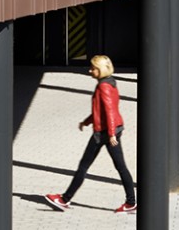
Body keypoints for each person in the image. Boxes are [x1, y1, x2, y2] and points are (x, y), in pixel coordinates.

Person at [45, 55, 136, 213]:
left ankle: (64, 199)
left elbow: (109, 111)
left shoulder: (103, 87)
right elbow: (101, 110)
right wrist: (86, 122)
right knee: (121, 167)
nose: (90, 70)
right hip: (111, 130)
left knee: (84, 166)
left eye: (93, 68)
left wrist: (111, 133)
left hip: (104, 133)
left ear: (100, 70)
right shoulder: (110, 83)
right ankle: (131, 202)